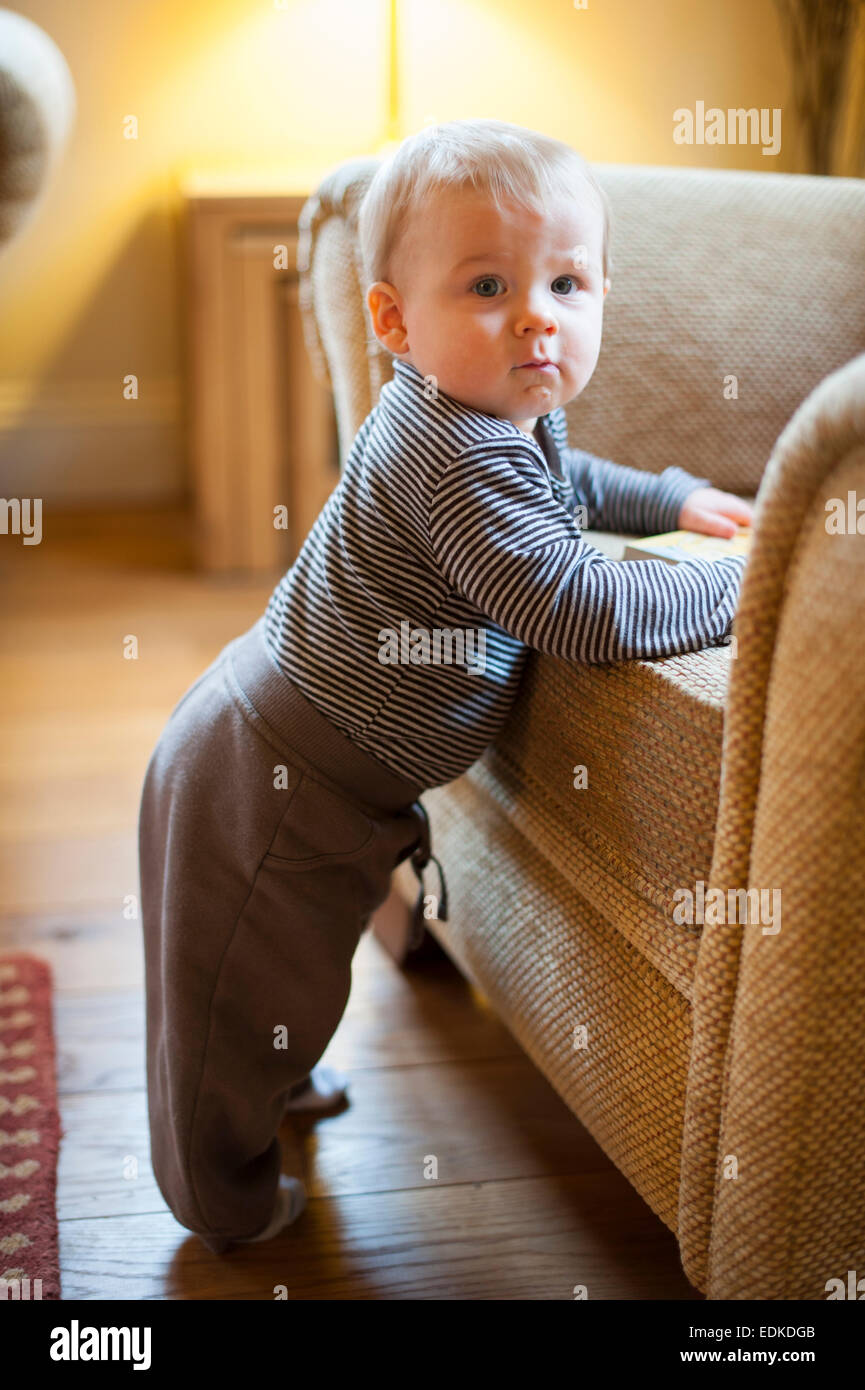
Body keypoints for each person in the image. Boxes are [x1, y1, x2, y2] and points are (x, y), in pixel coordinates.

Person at [139, 119, 752, 1255]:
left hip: (312, 761)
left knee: (288, 959)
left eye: (568, 283)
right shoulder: (448, 451)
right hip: (280, 771)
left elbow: (560, 480)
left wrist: (665, 500)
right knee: (230, 981)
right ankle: (215, 1195)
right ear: (392, 321)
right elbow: (581, 608)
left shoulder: (490, 409)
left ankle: (276, 1074)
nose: (537, 315)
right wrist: (735, 593)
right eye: (488, 284)